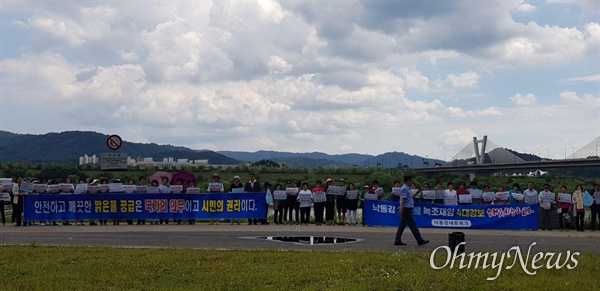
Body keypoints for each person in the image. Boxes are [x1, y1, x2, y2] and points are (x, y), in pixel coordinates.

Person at [394, 175, 429, 246]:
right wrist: (401, 208)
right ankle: (419, 240)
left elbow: (410, 197)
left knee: (402, 225)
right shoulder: (404, 189)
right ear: (408, 181)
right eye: (411, 180)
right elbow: (402, 199)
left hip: (407, 208)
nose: (412, 182)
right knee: (413, 225)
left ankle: (397, 239)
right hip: (406, 209)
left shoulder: (407, 189)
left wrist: (418, 191)